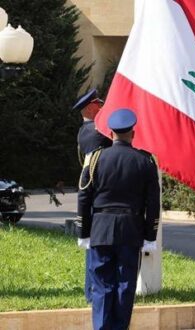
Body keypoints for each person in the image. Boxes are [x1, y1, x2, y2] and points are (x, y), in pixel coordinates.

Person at [77, 108, 160, 330]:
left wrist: (83, 232)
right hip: (131, 230)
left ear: (111, 133)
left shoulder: (95, 159)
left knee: (102, 285)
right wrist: (150, 236)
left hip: (100, 230)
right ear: (132, 133)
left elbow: (84, 197)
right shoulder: (145, 161)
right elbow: (153, 203)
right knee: (125, 284)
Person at [74, 88, 112, 304]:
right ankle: (92, 291)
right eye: (99, 104)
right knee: (94, 248)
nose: (103, 106)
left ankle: (94, 290)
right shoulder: (93, 131)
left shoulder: (92, 129)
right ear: (90, 107)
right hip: (95, 196)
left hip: (96, 196)